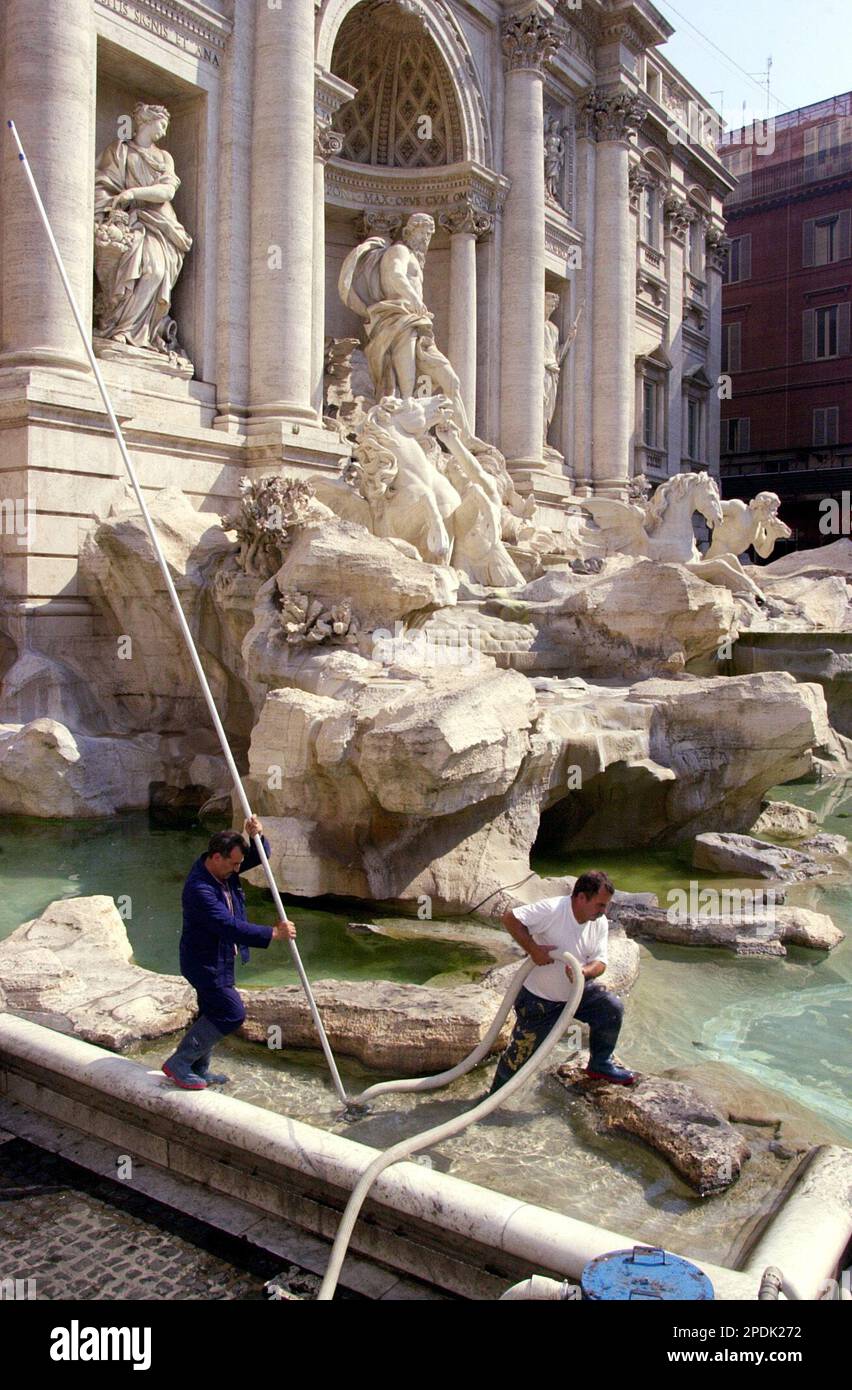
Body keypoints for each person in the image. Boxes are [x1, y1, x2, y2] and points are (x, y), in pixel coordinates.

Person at [162, 817, 295, 1090]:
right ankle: (179, 1063)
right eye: (233, 864)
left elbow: (262, 855)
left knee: (211, 1011)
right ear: (215, 857)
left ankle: (199, 1067)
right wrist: (272, 933)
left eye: (238, 864)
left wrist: (258, 834)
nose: (238, 869)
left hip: (219, 958)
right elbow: (228, 925)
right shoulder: (200, 889)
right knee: (231, 1013)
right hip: (205, 963)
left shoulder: (223, 869)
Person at [489, 870, 636, 1093]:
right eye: (600, 905)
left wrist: (583, 972)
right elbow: (510, 918)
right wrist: (533, 950)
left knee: (610, 1008)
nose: (604, 911)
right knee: (519, 1057)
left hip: (577, 993)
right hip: (540, 1000)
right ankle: (491, 1101)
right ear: (581, 898)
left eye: (605, 906)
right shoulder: (552, 910)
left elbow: (600, 962)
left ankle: (599, 1064)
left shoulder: (599, 922)